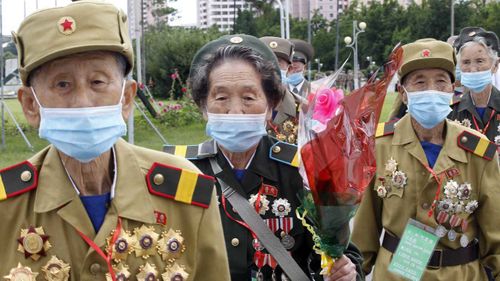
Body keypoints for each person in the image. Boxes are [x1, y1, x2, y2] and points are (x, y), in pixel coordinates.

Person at [0, 1, 230, 280]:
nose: (83, 102)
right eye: (62, 84)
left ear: (126, 98)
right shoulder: (6, 208)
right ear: (30, 105)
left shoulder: (186, 193)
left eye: (98, 82)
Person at [166, 34, 363, 281]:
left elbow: (344, 253)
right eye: (221, 97)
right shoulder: (180, 170)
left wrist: (345, 272)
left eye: (249, 98)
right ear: (203, 106)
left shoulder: (300, 171)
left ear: (271, 105)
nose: (235, 110)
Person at [352, 38, 500, 280]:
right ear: (403, 93)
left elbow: (496, 236)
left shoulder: (477, 151)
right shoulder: (379, 145)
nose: (431, 89)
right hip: (396, 275)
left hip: (461, 274)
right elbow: (363, 234)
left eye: (441, 82)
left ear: (453, 90)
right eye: (420, 82)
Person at [449, 27, 500, 146]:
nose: (473, 69)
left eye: (480, 61)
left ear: (495, 65)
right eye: (466, 62)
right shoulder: (450, 110)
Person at [260, 36, 300, 144]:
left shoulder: (303, 110)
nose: (271, 68)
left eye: (278, 62)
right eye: (265, 61)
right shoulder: (241, 105)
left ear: (290, 69)